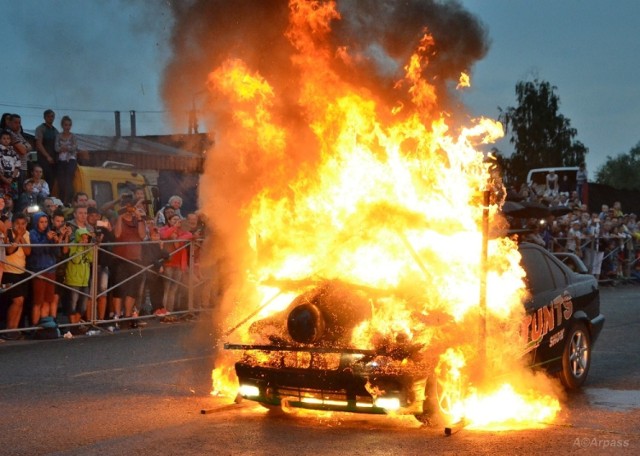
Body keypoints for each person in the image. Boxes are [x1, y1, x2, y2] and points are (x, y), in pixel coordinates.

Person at [111, 197, 146, 328]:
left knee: (132, 289)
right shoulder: (118, 219)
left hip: (135, 258)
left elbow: (142, 236)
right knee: (119, 288)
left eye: (131, 206)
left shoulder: (138, 220)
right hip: (120, 258)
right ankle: (117, 315)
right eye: (127, 206)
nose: (129, 209)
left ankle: (127, 315)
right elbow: (117, 234)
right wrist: (120, 216)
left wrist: (140, 217)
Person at [1, 213, 31, 340]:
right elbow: (9, 251)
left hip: (21, 271)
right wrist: (18, 235)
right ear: (13, 224)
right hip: (9, 271)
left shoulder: (27, 234)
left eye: (23, 224)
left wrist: (23, 236)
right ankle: (9, 329)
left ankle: (15, 329)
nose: (20, 226)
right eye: (18, 224)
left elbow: (28, 251)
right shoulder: (8, 233)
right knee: (17, 300)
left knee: (21, 302)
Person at [27, 212, 59, 326]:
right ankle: (35, 326)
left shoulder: (50, 232)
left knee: (48, 300)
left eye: (46, 222)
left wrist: (56, 241)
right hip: (38, 270)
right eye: (41, 222)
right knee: (38, 301)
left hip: (51, 269)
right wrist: (46, 239)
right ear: (36, 222)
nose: (44, 224)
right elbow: (36, 250)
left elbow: (57, 253)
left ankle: (44, 324)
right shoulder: (32, 234)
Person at [159, 215, 193, 314]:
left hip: (178, 264)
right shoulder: (164, 229)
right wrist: (173, 228)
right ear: (168, 220)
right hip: (168, 263)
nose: (177, 221)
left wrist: (177, 235)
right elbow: (164, 235)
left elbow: (189, 235)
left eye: (178, 220)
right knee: (167, 289)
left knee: (174, 289)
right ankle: (164, 311)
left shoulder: (182, 231)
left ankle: (170, 311)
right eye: (174, 219)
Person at [64, 227, 93, 330]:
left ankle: (75, 325)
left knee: (83, 306)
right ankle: (73, 326)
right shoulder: (73, 245)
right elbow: (76, 260)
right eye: (83, 238)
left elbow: (91, 258)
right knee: (72, 305)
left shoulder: (87, 247)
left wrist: (90, 246)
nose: (85, 240)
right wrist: (80, 246)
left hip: (84, 281)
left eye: (86, 238)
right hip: (73, 280)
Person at [55, 116, 83, 205]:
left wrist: (66, 148)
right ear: (62, 125)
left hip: (71, 160)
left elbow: (75, 147)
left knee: (69, 180)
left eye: (69, 125)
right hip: (61, 160)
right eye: (66, 125)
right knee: (61, 181)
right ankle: (61, 201)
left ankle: (69, 201)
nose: (67, 127)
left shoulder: (73, 136)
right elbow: (56, 148)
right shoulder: (58, 136)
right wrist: (61, 148)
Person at [34, 109, 58, 192]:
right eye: (49, 116)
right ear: (44, 117)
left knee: (52, 180)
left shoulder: (55, 131)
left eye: (52, 116)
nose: (51, 118)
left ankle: (49, 197)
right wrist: (47, 156)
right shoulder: (40, 129)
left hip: (53, 159)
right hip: (43, 159)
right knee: (43, 179)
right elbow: (39, 144)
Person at [6, 114, 32, 190]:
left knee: (22, 191)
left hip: (23, 167)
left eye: (19, 122)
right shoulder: (10, 134)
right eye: (15, 122)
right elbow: (23, 151)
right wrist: (25, 147)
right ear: (9, 123)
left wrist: (25, 147)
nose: (18, 125)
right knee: (16, 193)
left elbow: (30, 146)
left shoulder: (18, 134)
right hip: (15, 168)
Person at [0, 130, 20, 199]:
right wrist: (3, 178)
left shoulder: (13, 152)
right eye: (4, 138)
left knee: (12, 199)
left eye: (8, 138)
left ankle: (10, 210)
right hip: (1, 179)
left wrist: (12, 177)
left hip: (12, 179)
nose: (6, 140)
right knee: (1, 200)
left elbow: (17, 166)